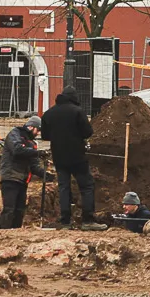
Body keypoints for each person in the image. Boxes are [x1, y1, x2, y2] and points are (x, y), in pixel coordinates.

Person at [39, 88, 96, 227]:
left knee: (64, 187)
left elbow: (45, 136)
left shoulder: (48, 114)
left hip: (59, 157)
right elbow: (88, 132)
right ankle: (87, 220)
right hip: (77, 156)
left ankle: (65, 221)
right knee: (87, 186)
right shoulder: (77, 111)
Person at [0, 115, 48, 229]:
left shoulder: (32, 144)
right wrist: (37, 152)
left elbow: (34, 166)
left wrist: (45, 174)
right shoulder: (15, 134)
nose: (38, 133)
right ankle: (4, 232)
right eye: (38, 130)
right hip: (11, 177)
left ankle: (16, 233)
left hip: (23, 180)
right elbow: (17, 150)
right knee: (9, 209)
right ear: (31, 127)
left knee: (20, 210)